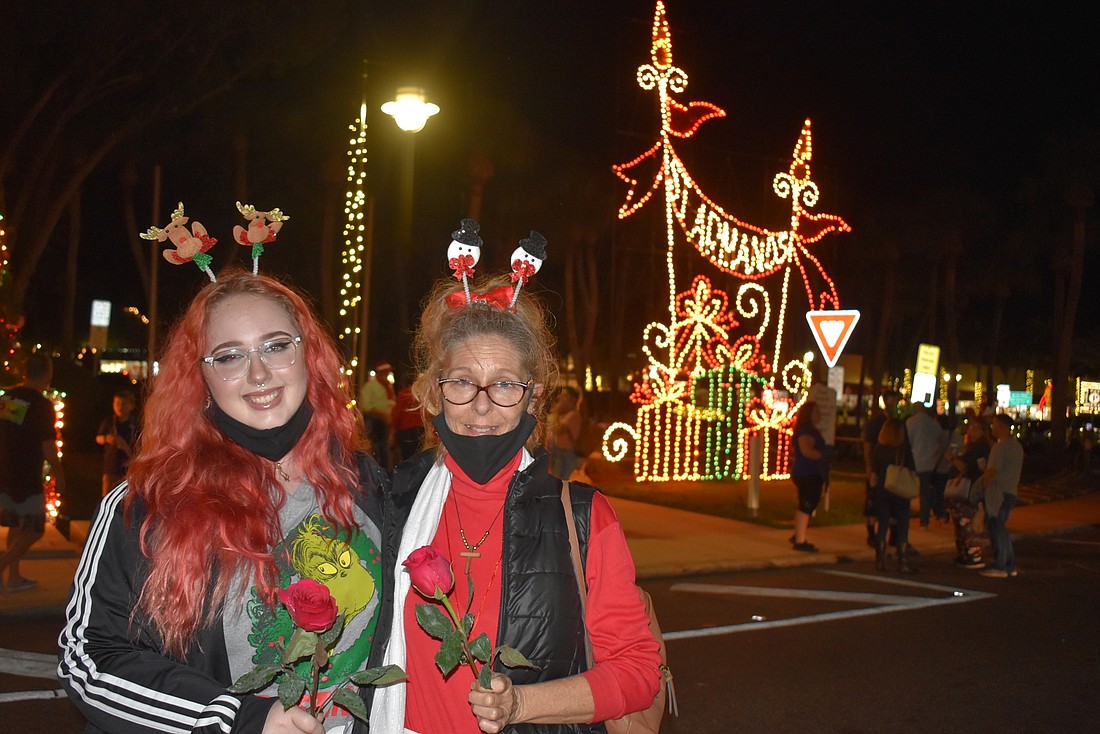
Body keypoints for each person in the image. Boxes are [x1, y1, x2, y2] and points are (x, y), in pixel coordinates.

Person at [58, 269, 387, 733]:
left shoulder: (364, 482)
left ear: (308, 354)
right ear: (201, 376)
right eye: (230, 356)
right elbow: (88, 659)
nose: (259, 373)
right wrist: (239, 719)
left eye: (276, 346)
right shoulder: (149, 505)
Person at [368, 262, 661, 733]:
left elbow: (639, 672)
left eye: (504, 384)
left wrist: (521, 704)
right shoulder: (394, 503)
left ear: (534, 397)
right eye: (462, 382)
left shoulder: (585, 517)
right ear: (435, 393)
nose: (481, 405)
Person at [0, 352, 65, 595]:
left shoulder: (9, 398)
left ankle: (13, 577)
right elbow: (47, 446)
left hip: (6, 471)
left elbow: (8, 432)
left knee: (16, 523)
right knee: (35, 528)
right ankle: (3, 566)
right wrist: (59, 474)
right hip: (27, 474)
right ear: (47, 373)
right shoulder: (42, 405)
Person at [870, 403, 917, 573]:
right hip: (900, 489)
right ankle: (902, 560)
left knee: (883, 523)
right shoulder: (903, 450)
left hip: (883, 488)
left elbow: (874, 472)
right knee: (902, 524)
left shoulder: (879, 448)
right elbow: (913, 468)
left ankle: (880, 559)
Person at [980, 413, 1024, 578]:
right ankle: (1009, 564)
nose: (992, 428)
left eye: (994, 425)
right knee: (1001, 529)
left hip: (998, 493)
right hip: (1011, 491)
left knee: (996, 529)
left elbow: (992, 473)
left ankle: (1000, 565)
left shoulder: (999, 448)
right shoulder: (1017, 447)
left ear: (1000, 426)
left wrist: (983, 489)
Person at [948, 419, 992, 569]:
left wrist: (953, 459)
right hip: (966, 490)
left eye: (975, 427)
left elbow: (967, 468)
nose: (971, 430)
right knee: (962, 523)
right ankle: (965, 554)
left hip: (971, 491)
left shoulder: (980, 448)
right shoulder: (972, 447)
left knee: (967, 524)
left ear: (983, 431)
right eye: (970, 427)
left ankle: (973, 555)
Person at [862, 391, 900, 546]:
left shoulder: (898, 422)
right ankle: (872, 534)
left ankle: (892, 535)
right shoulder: (877, 423)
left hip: (893, 469)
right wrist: (870, 467)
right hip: (879, 467)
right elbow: (868, 445)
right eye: (892, 401)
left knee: (893, 502)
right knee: (873, 501)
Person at [789, 401, 826, 553]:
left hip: (808, 472)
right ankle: (800, 540)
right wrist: (824, 455)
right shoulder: (806, 431)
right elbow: (806, 451)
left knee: (809, 503)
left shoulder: (807, 430)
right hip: (807, 472)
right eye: (816, 411)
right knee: (807, 504)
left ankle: (798, 534)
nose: (819, 414)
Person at [906, 400, 944, 528]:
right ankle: (924, 519)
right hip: (929, 462)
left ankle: (906, 513)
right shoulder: (934, 424)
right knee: (925, 491)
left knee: (908, 489)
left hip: (914, 460)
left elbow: (908, 441)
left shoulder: (910, 422)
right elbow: (939, 440)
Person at [95, 388, 140, 495]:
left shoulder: (135, 425)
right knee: (107, 495)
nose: (120, 407)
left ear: (131, 406)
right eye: (117, 403)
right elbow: (98, 438)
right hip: (111, 466)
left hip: (127, 467)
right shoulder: (109, 422)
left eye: (123, 404)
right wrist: (106, 438)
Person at [361, 361, 396, 469]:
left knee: (383, 448)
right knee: (373, 447)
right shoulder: (370, 386)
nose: (387, 375)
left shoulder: (387, 388)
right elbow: (366, 407)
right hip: (373, 420)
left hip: (383, 422)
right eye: (385, 373)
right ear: (380, 374)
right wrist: (383, 415)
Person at [547, 385, 583, 480]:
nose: (560, 399)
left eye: (564, 396)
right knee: (557, 481)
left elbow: (557, 430)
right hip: (558, 453)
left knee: (560, 482)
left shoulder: (573, 415)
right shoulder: (564, 415)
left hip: (565, 454)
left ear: (572, 400)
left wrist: (556, 412)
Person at [392, 371, 426, 464]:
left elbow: (398, 414)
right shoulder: (422, 394)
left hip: (406, 430)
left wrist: (393, 430)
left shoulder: (403, 394)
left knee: (407, 458)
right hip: (421, 429)